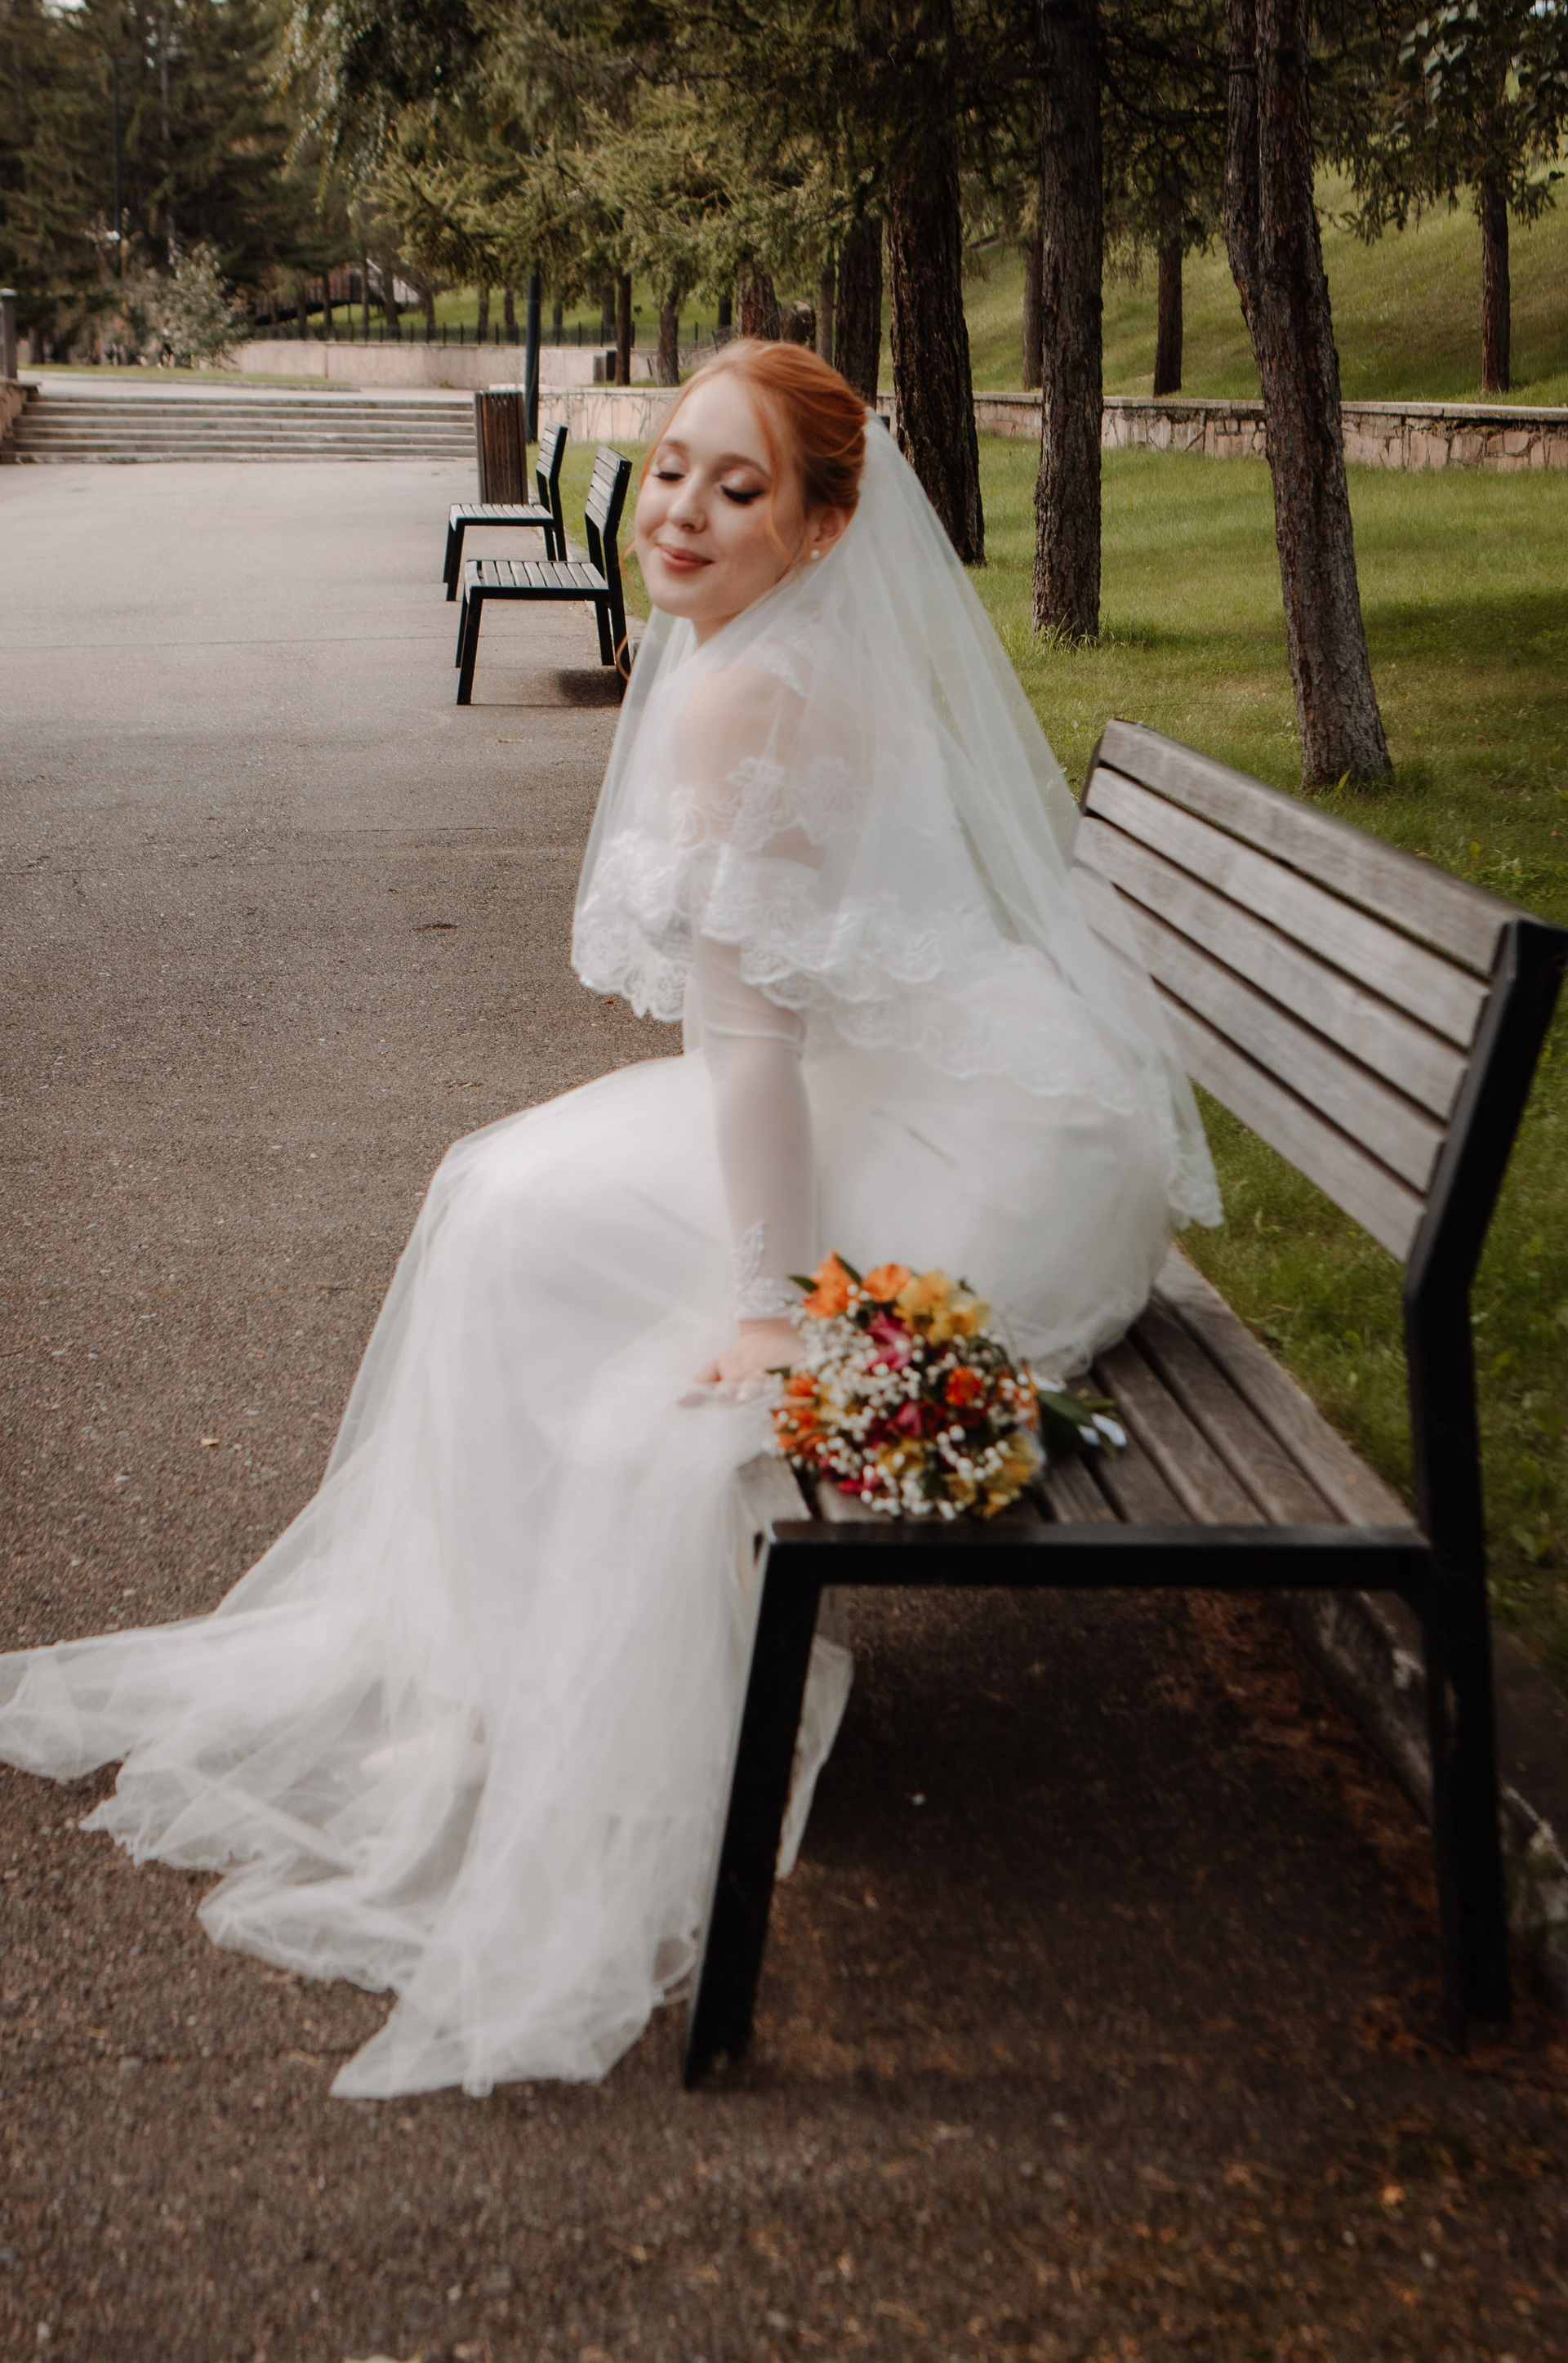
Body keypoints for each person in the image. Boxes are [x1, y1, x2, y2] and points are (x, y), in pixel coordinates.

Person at [0, 341, 1219, 2099]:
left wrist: (773, 1298)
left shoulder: (744, 693)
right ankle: (493, 1678)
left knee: (519, 1216)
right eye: (672, 473)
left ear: (821, 527)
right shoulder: (754, 653)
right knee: (503, 1194)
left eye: (740, 487)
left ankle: (539, 1702)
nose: (685, 514)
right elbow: (760, 1028)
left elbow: (756, 1045)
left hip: (971, 1140)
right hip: (927, 1085)